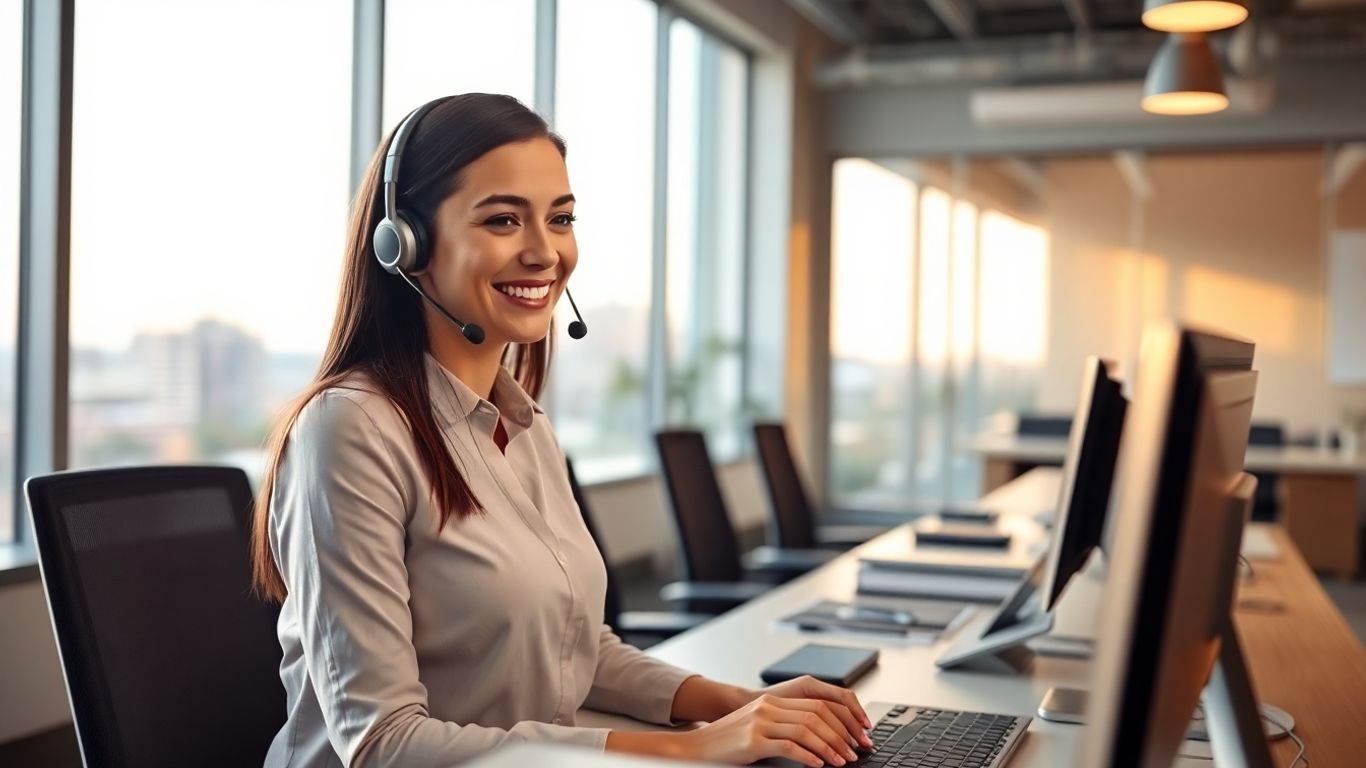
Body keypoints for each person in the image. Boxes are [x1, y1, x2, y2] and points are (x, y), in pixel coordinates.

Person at [250, 93, 874, 768]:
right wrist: (684, 752)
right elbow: (382, 743)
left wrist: (739, 708)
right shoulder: (350, 430)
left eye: (561, 218)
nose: (544, 251)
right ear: (408, 243)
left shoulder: (523, 424)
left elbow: (581, 647)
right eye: (502, 220)